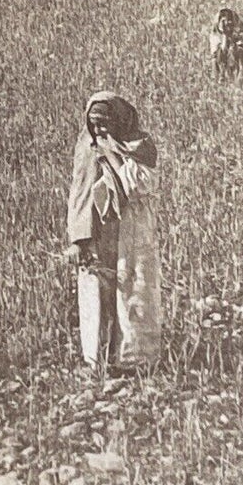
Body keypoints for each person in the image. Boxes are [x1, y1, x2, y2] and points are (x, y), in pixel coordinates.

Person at [66, 93, 162, 371]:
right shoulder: (86, 148)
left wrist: (110, 153)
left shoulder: (139, 146)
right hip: (98, 232)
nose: (99, 130)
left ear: (119, 121)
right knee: (98, 291)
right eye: (93, 124)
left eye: (105, 123)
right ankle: (98, 358)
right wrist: (78, 238)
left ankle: (135, 359)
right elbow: (79, 194)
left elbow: (137, 187)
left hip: (132, 230)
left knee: (132, 289)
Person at [208, 6, 243, 83]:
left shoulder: (240, 32)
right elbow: (219, 57)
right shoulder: (216, 36)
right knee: (216, 58)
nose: (227, 24)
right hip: (225, 71)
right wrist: (225, 35)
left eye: (229, 21)